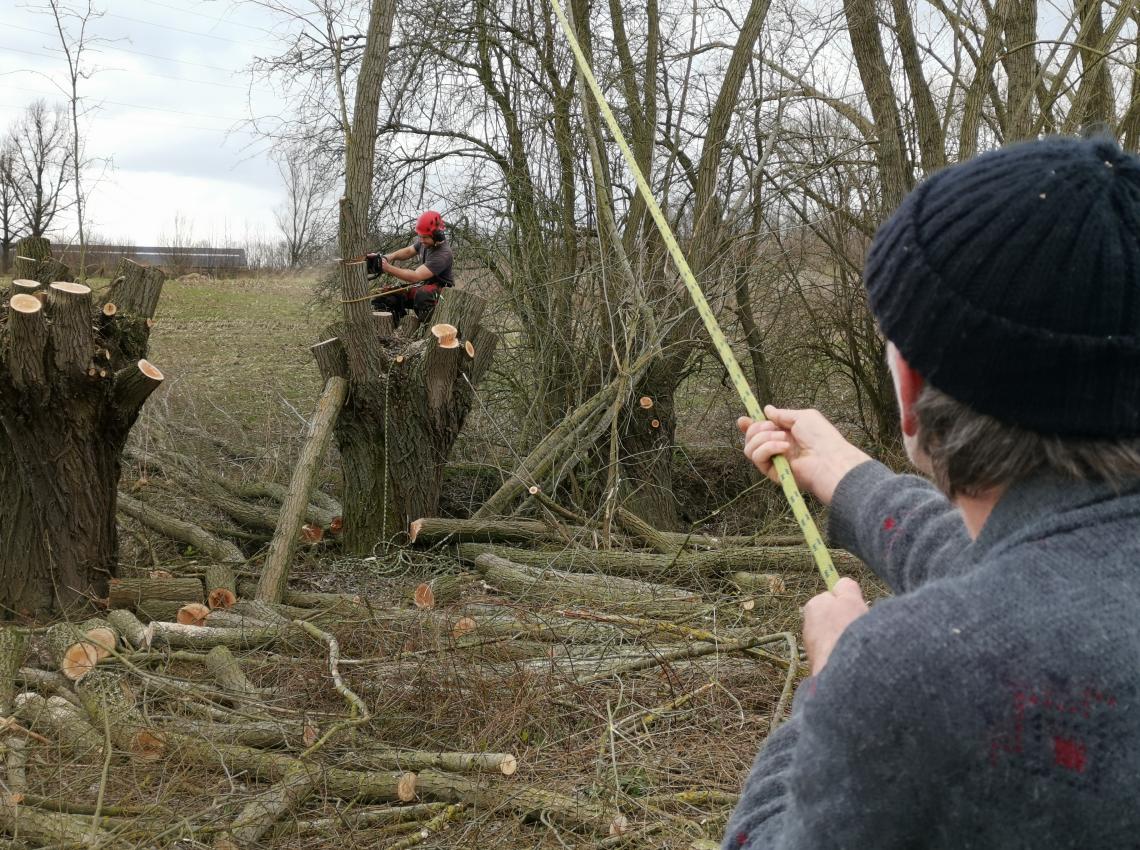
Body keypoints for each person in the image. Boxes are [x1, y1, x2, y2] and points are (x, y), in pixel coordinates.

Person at [724, 136, 1140, 848]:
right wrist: (849, 475)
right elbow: (1029, 564)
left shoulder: (906, 678)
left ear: (911, 391)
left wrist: (832, 681)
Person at [368, 210, 454, 325]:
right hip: (425, 285)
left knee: (423, 295)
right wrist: (387, 257)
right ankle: (395, 329)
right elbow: (408, 251)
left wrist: (387, 268)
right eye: (420, 236)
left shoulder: (443, 254)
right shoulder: (425, 242)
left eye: (425, 237)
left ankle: (427, 330)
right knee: (385, 295)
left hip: (442, 293)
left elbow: (416, 276)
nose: (421, 240)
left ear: (437, 235)